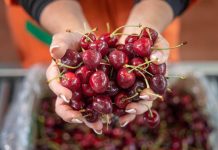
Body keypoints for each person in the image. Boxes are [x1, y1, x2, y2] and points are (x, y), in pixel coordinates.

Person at [4, 0, 195, 134]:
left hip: (151, 16)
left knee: (155, 61)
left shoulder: (138, 51)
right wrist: (67, 26)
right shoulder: (85, 64)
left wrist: (149, 19)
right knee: (60, 72)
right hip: (55, 18)